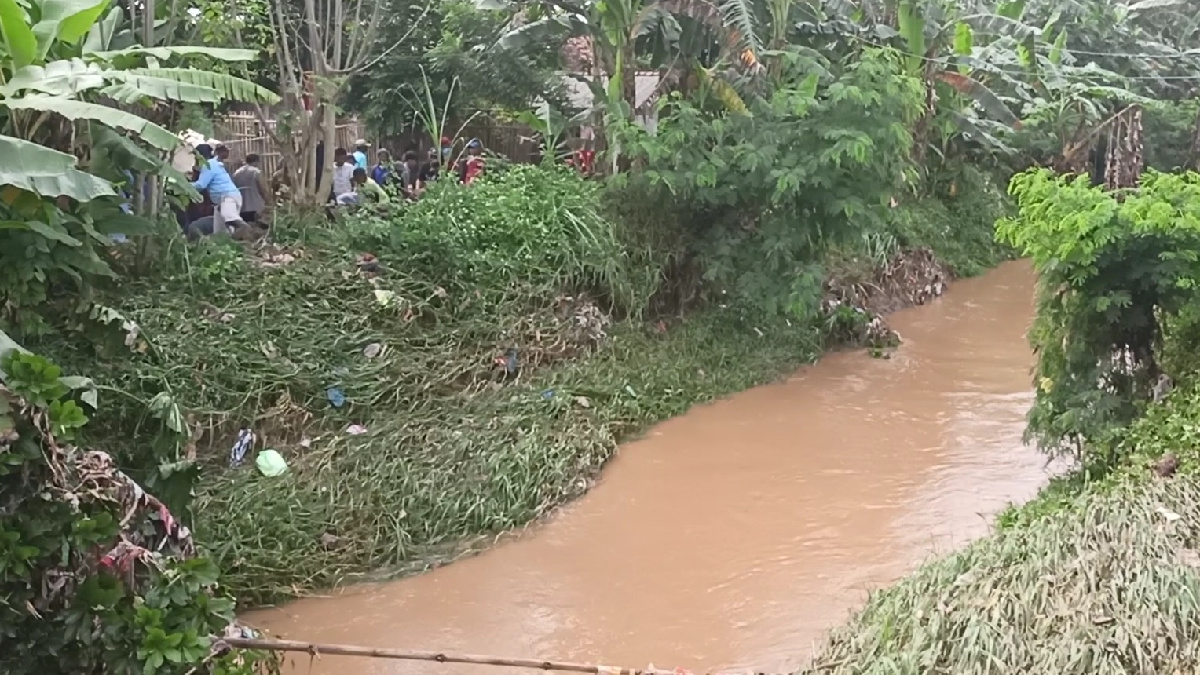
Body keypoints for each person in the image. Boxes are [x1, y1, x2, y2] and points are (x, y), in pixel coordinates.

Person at [191, 142, 244, 235]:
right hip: (222, 200)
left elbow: (201, 185)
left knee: (229, 217)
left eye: (196, 156)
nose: (195, 158)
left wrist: (185, 185)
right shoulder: (213, 163)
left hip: (227, 196)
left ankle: (248, 230)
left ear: (200, 155)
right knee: (221, 231)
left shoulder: (208, 165)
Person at [233, 153, 270, 223]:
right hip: (256, 206)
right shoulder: (256, 172)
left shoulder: (236, 173)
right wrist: (268, 201)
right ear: (256, 161)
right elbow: (263, 188)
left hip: (241, 206)